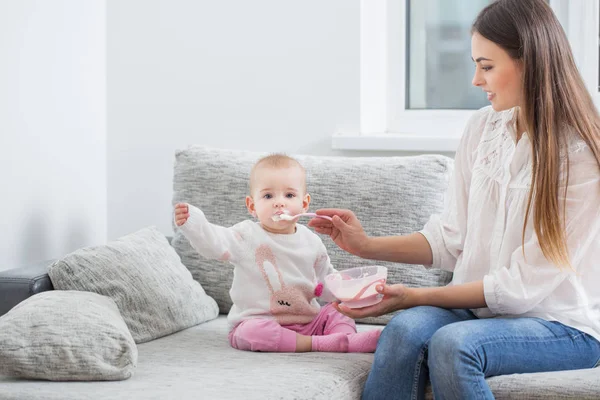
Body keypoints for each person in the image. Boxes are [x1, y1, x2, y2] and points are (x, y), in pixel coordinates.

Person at [308, 0, 600, 398]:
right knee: (404, 330)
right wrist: (364, 245)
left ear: (530, 62)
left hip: (561, 325)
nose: (476, 80)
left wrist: (415, 296)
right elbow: (450, 239)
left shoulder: (580, 156)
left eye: (487, 65)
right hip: (481, 312)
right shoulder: (483, 128)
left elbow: (519, 288)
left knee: (455, 345)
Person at [174, 153, 381, 353]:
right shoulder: (246, 235)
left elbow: (326, 280)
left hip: (310, 322)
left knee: (338, 311)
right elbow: (215, 243)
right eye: (268, 195)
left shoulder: (311, 241)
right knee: (250, 333)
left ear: (304, 203)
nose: (279, 202)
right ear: (252, 206)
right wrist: (195, 224)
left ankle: (345, 340)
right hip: (261, 323)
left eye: (289, 195)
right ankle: (324, 344)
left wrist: (357, 292)